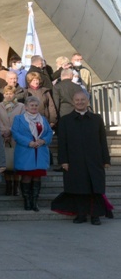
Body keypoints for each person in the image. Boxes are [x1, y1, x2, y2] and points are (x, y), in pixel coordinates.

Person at [51, 92, 110, 225]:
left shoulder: (97, 119)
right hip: (74, 160)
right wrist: (63, 161)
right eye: (77, 100)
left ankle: (95, 215)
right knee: (79, 189)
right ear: (73, 102)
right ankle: (81, 214)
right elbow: (62, 143)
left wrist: (106, 159)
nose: (80, 102)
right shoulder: (65, 120)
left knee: (96, 188)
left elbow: (102, 140)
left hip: (95, 160)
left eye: (83, 100)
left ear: (87, 101)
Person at [11, 96, 53, 212]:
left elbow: (49, 132)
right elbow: (15, 133)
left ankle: (34, 202)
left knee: (37, 177)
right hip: (26, 151)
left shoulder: (43, 119)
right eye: (31, 105)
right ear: (26, 107)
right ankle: (27, 201)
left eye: (35, 105)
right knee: (27, 176)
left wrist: (43, 140)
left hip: (40, 151)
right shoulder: (19, 119)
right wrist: (28, 142)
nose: (34, 107)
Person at [0, 85, 25, 196]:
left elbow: (22, 120)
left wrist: (11, 131)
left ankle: (16, 186)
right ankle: (8, 186)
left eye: (11, 93)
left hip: (16, 137)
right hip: (3, 137)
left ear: (15, 94)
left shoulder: (21, 106)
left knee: (16, 162)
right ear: (4, 94)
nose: (9, 95)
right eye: (7, 93)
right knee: (6, 162)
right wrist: (4, 132)